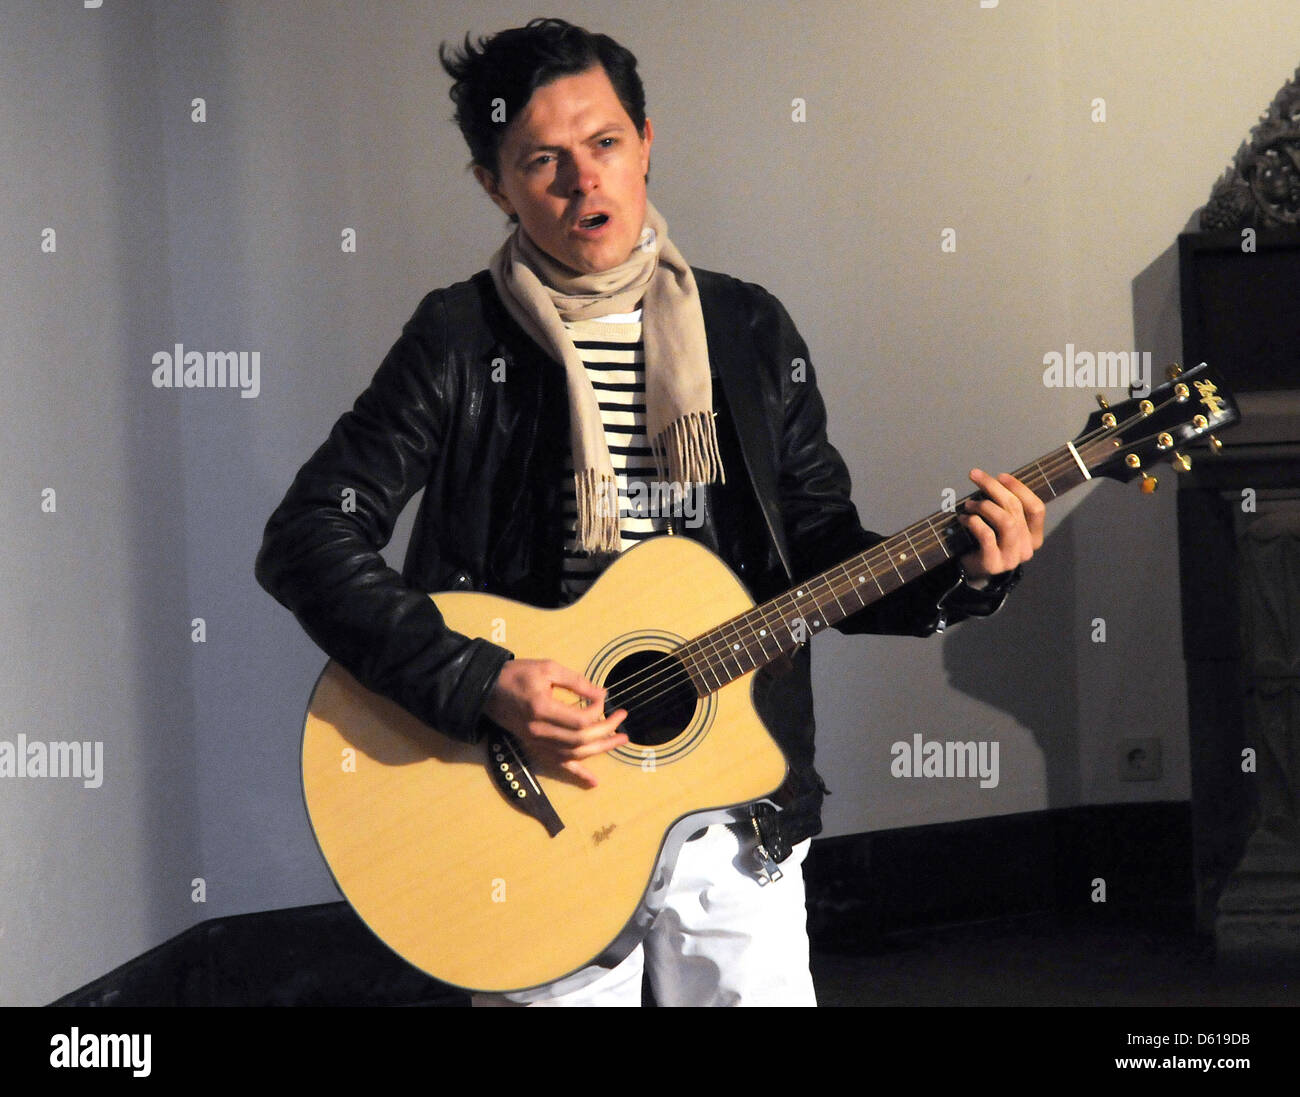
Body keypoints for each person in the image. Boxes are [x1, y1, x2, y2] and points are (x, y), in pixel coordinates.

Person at [255, 17, 1044, 1007]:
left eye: (605, 145)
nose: (585, 182)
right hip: (528, 811)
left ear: (646, 141)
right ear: (493, 186)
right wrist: (481, 679)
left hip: (733, 806)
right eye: (542, 161)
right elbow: (308, 538)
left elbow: (821, 561)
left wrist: (970, 571)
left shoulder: (748, 332)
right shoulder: (458, 339)